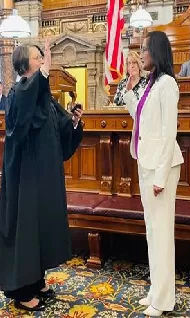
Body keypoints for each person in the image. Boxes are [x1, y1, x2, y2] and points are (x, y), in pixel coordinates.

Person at [0, 39, 83, 311]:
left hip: (43, 176)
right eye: (38, 57)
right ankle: (21, 290)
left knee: (41, 225)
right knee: (26, 226)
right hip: (25, 178)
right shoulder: (19, 93)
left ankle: (36, 279)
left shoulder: (41, 94)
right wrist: (43, 75)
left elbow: (55, 124)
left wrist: (71, 121)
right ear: (25, 64)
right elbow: (23, 121)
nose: (43, 61)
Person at [122, 30, 184, 317]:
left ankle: (164, 299)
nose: (142, 54)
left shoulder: (168, 84)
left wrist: (160, 177)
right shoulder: (151, 84)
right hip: (145, 163)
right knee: (152, 234)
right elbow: (140, 118)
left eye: (146, 50)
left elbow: (170, 131)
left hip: (162, 168)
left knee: (161, 235)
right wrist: (132, 88)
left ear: (157, 52)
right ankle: (156, 291)